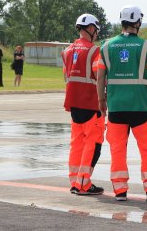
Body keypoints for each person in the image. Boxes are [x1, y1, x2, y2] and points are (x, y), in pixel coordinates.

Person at [97, 5, 147, 202]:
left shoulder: (106, 46)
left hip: (116, 107)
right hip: (141, 107)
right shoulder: (146, 47)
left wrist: (101, 100)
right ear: (137, 22)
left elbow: (100, 77)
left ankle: (120, 191)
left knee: (117, 149)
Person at [61, 13, 105, 195]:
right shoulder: (95, 51)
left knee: (76, 144)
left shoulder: (67, 51)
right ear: (91, 28)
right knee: (93, 145)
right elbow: (100, 77)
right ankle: (84, 183)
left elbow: (66, 77)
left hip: (74, 103)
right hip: (91, 103)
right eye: (96, 29)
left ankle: (74, 182)